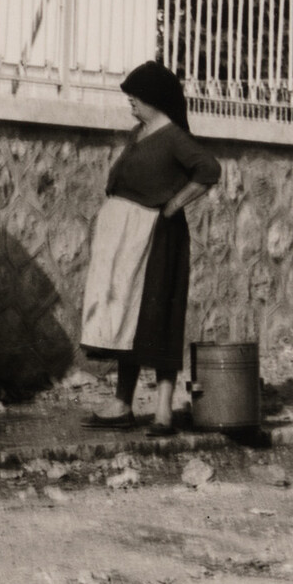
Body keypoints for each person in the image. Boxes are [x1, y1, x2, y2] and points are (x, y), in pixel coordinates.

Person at [79, 59, 221, 434]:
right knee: (128, 319)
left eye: (137, 97)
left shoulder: (173, 136)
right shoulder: (138, 133)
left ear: (155, 99)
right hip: (129, 240)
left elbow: (209, 169)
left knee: (159, 319)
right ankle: (122, 405)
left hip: (158, 240)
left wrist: (174, 205)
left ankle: (162, 411)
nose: (131, 103)